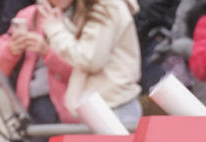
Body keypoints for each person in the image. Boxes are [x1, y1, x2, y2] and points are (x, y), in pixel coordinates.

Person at [40, 0, 143, 128]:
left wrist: (55, 29)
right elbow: (88, 46)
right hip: (102, 107)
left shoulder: (107, 6)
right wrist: (59, 23)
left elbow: (89, 59)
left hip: (113, 108)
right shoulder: (100, 6)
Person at [0, 1, 77, 142]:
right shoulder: (30, 15)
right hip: (33, 104)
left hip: (75, 107)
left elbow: (84, 67)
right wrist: (12, 49)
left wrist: (47, 53)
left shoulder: (85, 18)